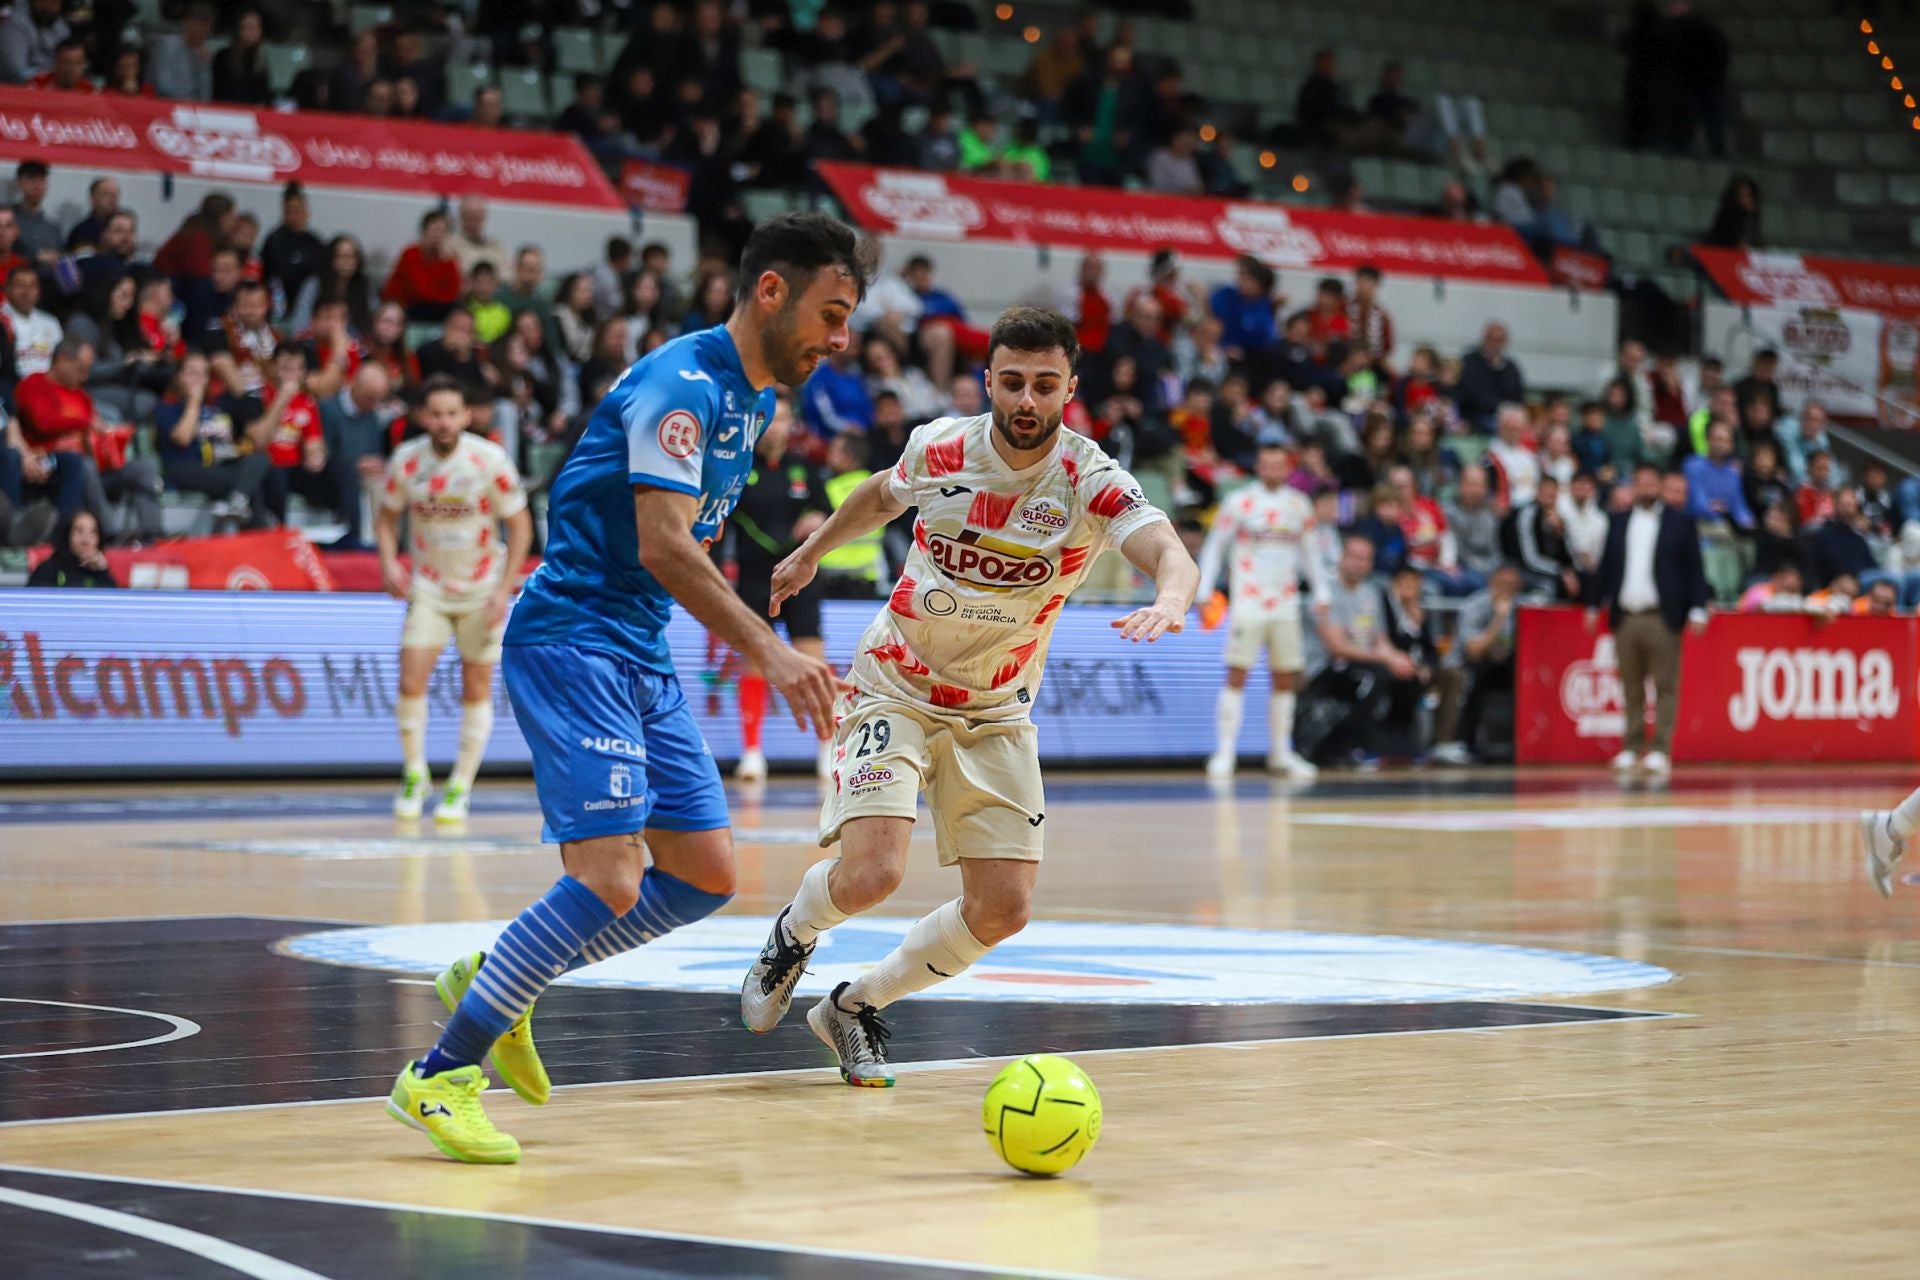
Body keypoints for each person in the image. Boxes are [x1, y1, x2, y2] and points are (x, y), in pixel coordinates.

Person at [387, 214, 862, 1162]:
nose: (840, 339)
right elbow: (661, 543)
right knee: (608, 877)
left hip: (639, 644)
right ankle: (439, 1076)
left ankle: (503, 976)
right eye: (831, 313)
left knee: (705, 877)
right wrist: (770, 649)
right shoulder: (679, 387)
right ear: (770, 291)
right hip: (573, 638)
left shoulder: (754, 399)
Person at [739, 305, 1196, 1087]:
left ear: (1069, 390)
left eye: (1044, 386)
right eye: (1012, 382)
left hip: (995, 707)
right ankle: (794, 932)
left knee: (1003, 909)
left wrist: (1174, 598)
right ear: (988, 380)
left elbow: (1166, 548)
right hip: (897, 679)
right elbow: (881, 497)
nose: (1026, 400)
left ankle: (854, 1007)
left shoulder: (1090, 478)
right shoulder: (943, 445)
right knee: (872, 874)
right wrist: (812, 552)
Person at [376, 376, 532, 823]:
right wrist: (388, 562)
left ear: (466, 416)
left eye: (452, 414)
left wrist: (505, 588)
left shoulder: (488, 459)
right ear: (423, 417)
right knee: (411, 676)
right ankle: (414, 772)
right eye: (435, 414)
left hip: (482, 588)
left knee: (476, 685)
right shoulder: (407, 461)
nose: (443, 422)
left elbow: (520, 525)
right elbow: (386, 517)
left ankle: (460, 785)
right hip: (427, 585)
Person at [1197, 438, 1331, 780]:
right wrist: (1204, 588)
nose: (1273, 469)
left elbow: (1311, 552)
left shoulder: (1299, 505)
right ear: (1258, 466)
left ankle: (1281, 753)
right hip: (1248, 600)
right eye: (1266, 463)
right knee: (1237, 672)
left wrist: (1321, 591)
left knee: (1285, 677)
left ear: (1288, 467)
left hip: (1285, 602)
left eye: (1279, 464)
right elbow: (1215, 547)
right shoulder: (1239, 502)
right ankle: (1225, 752)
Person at [729, 398, 833, 782]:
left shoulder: (805, 468)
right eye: (770, 420)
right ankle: (752, 753)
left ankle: (827, 748)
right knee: (754, 662)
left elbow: (828, 514)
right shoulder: (738, 469)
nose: (777, 427)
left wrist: (817, 519)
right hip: (754, 581)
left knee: (813, 662)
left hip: (801, 582)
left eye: (784, 419)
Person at [1588, 461, 1711, 777]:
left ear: (1660, 485)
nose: (1645, 488)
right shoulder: (1617, 521)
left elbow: (1694, 569)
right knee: (1630, 687)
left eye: (1651, 482)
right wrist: (1593, 603)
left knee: (1665, 685)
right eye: (1640, 482)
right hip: (1626, 616)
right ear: (1633, 486)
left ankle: (1660, 750)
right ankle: (1630, 746)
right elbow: (1607, 567)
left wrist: (1698, 607)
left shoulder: (1680, 523)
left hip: (1662, 616)